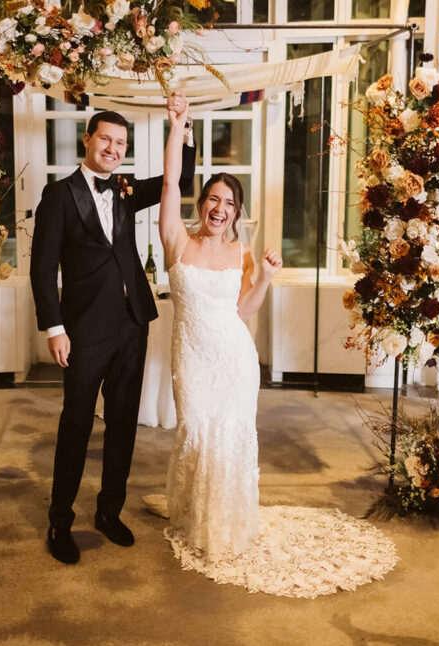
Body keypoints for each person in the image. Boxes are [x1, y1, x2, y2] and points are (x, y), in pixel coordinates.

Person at [156, 96, 397, 597]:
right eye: (213, 199)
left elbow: (244, 311)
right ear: (201, 204)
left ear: (236, 212)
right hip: (192, 358)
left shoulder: (242, 252)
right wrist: (178, 126)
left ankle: (223, 524)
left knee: (229, 437)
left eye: (229, 203)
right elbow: (169, 183)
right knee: (196, 430)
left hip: (234, 358)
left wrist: (265, 276)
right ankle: (195, 514)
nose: (219, 209)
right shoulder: (177, 240)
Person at [29, 102, 196, 564]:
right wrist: (55, 328)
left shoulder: (124, 188)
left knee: (123, 423)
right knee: (77, 424)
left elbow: (179, 181)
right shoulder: (58, 195)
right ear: (87, 139)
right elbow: (42, 270)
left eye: (121, 143)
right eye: (105, 139)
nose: (113, 148)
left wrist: (183, 130)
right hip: (83, 329)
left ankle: (109, 511)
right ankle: (60, 521)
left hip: (131, 323)